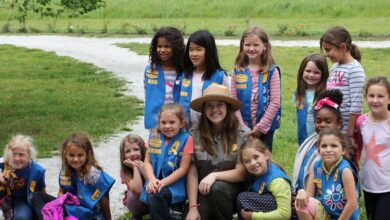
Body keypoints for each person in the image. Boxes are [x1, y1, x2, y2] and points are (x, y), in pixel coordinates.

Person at [186, 84, 250, 220]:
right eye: (209, 105)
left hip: (232, 192)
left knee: (217, 189)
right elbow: (192, 172)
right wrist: (192, 207)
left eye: (220, 104)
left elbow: (241, 173)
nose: (214, 109)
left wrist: (214, 176)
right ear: (203, 109)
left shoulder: (243, 134)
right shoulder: (193, 135)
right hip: (203, 192)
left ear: (228, 107)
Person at [231, 26, 281, 151]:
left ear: (264, 46)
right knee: (244, 161)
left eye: (255, 45)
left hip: (265, 129)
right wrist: (242, 127)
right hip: (242, 129)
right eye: (247, 44)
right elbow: (233, 100)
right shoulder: (237, 70)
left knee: (264, 160)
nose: (251, 48)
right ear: (242, 45)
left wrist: (260, 128)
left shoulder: (272, 71)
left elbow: (275, 101)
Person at [140, 103, 194, 219]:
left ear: (181, 123)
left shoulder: (187, 139)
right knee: (154, 194)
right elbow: (147, 162)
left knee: (155, 195)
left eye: (172, 122)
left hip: (173, 186)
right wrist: (152, 179)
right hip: (154, 182)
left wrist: (162, 183)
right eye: (163, 122)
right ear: (158, 123)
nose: (167, 126)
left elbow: (183, 168)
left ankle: (175, 209)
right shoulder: (154, 137)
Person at [295, 128, 359, 220]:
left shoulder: (345, 170)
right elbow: (309, 193)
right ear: (318, 150)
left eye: (334, 146)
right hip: (326, 214)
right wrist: (302, 192)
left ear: (343, 150)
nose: (328, 150)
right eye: (324, 146)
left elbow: (352, 203)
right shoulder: (316, 166)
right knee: (301, 203)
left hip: (345, 217)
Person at [293, 89, 343, 192]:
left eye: (328, 121)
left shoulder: (340, 148)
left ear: (339, 124)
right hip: (303, 193)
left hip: (326, 197)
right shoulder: (310, 142)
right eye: (318, 121)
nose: (322, 124)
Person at [321, 26, 366, 138]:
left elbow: (356, 104)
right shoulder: (334, 67)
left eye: (328, 49)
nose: (326, 54)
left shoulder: (355, 70)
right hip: (333, 127)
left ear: (343, 47)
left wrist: (350, 133)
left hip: (346, 130)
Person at [58, 133, 115, 220]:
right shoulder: (65, 171)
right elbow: (62, 190)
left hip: (93, 215)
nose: (76, 159)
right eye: (71, 155)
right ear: (65, 154)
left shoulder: (93, 175)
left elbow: (104, 201)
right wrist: (59, 201)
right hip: (73, 212)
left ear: (87, 154)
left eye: (80, 155)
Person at [179, 30, 228, 129]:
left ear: (209, 51)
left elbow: (227, 102)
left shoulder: (219, 76)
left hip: (210, 129)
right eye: (191, 50)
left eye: (198, 49)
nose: (194, 54)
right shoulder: (185, 75)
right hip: (186, 129)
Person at [358, 76, 390, 219]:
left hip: (388, 186)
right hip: (368, 184)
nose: (375, 100)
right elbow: (358, 147)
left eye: (380, 96)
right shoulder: (361, 121)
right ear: (366, 97)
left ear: (389, 99)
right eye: (371, 95)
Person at [237, 138, 291, 220]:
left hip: (281, 215)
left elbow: (285, 214)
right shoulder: (254, 174)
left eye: (256, 157)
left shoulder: (277, 181)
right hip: (268, 210)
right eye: (247, 161)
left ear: (266, 155)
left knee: (243, 199)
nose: (253, 163)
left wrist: (254, 216)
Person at [0, 135, 50, 219]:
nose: (16, 158)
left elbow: (42, 191)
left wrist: (44, 207)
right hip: (6, 198)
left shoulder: (36, 171)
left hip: (24, 199)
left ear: (29, 155)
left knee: (22, 217)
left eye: (21, 155)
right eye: (13, 154)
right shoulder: (4, 164)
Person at [144, 27, 185, 129]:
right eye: (159, 46)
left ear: (176, 48)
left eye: (167, 46)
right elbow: (148, 94)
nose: (162, 50)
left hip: (177, 122)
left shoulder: (183, 71)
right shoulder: (150, 70)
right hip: (156, 123)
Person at [293, 53, 329, 145]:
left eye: (316, 72)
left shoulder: (326, 94)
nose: (311, 75)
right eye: (308, 71)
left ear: (323, 74)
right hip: (303, 139)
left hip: (321, 140)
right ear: (302, 71)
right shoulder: (299, 93)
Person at [119, 134, 148, 220]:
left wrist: (144, 170)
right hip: (137, 203)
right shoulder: (124, 171)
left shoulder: (149, 165)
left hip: (152, 200)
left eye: (136, 149)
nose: (132, 154)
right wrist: (135, 168)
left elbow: (153, 184)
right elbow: (137, 190)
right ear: (123, 155)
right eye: (128, 151)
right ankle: (137, 216)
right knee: (132, 196)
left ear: (142, 150)